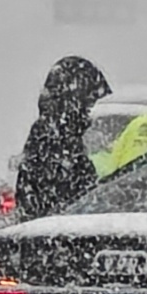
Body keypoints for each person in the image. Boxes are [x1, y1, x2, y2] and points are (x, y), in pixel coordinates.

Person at [14, 56, 107, 220]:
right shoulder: (55, 134)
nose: (92, 109)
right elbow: (68, 190)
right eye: (91, 101)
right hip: (62, 228)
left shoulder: (62, 131)